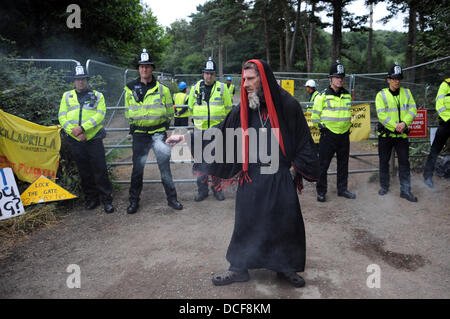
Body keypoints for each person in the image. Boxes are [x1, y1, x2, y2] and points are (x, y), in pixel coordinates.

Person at [167, 59, 319, 288]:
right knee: (247, 222)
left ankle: (284, 266)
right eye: (244, 79)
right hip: (252, 175)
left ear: (263, 79)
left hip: (278, 175)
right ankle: (238, 268)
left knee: (285, 221)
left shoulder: (288, 105)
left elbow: (303, 139)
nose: (245, 84)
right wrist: (186, 138)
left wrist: (297, 166)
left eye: (250, 79)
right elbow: (221, 131)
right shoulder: (245, 107)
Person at [124, 49, 183, 214]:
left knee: (164, 168)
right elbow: (128, 111)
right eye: (141, 66)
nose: (144, 69)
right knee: (137, 169)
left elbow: (170, 112)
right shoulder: (129, 88)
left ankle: (172, 200)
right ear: (138, 69)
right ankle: (133, 201)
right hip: (139, 135)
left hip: (158, 133)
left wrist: (164, 127)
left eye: (147, 66)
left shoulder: (163, 89)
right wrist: (133, 127)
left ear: (152, 68)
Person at [58, 65, 114, 214]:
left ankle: (107, 200)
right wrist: (75, 132)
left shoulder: (97, 96)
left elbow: (100, 115)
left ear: (87, 80)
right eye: (77, 79)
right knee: (84, 171)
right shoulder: (66, 96)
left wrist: (83, 129)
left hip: (94, 138)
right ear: (73, 81)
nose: (80, 82)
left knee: (100, 169)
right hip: (76, 140)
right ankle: (92, 199)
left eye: (83, 79)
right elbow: (62, 117)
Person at [187, 57, 233, 201]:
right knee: (200, 163)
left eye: (211, 73)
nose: (209, 76)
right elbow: (190, 107)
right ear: (203, 74)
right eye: (207, 73)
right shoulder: (195, 88)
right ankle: (202, 191)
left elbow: (228, 109)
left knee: (217, 162)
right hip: (200, 131)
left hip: (217, 131)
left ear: (215, 75)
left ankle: (217, 190)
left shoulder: (222, 88)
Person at [311, 60, 356, 202]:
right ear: (330, 78)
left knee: (343, 164)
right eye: (337, 77)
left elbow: (347, 113)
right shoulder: (322, 96)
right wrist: (323, 129)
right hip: (328, 135)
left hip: (344, 135)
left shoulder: (347, 95)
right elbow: (315, 117)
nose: (340, 79)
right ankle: (321, 191)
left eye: (342, 77)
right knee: (323, 164)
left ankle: (342, 189)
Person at [375, 62, 418, 202]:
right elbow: (381, 114)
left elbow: (413, 109)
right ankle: (384, 186)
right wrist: (395, 126)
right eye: (394, 78)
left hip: (402, 135)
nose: (397, 81)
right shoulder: (381, 95)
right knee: (384, 162)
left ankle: (405, 190)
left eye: (399, 78)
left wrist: (404, 123)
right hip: (386, 135)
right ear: (388, 79)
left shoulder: (407, 93)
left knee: (404, 162)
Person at [423, 78, 450, 188]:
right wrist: (448, 119)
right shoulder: (446, 84)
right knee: (435, 150)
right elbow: (439, 105)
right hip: (446, 123)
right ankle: (427, 176)